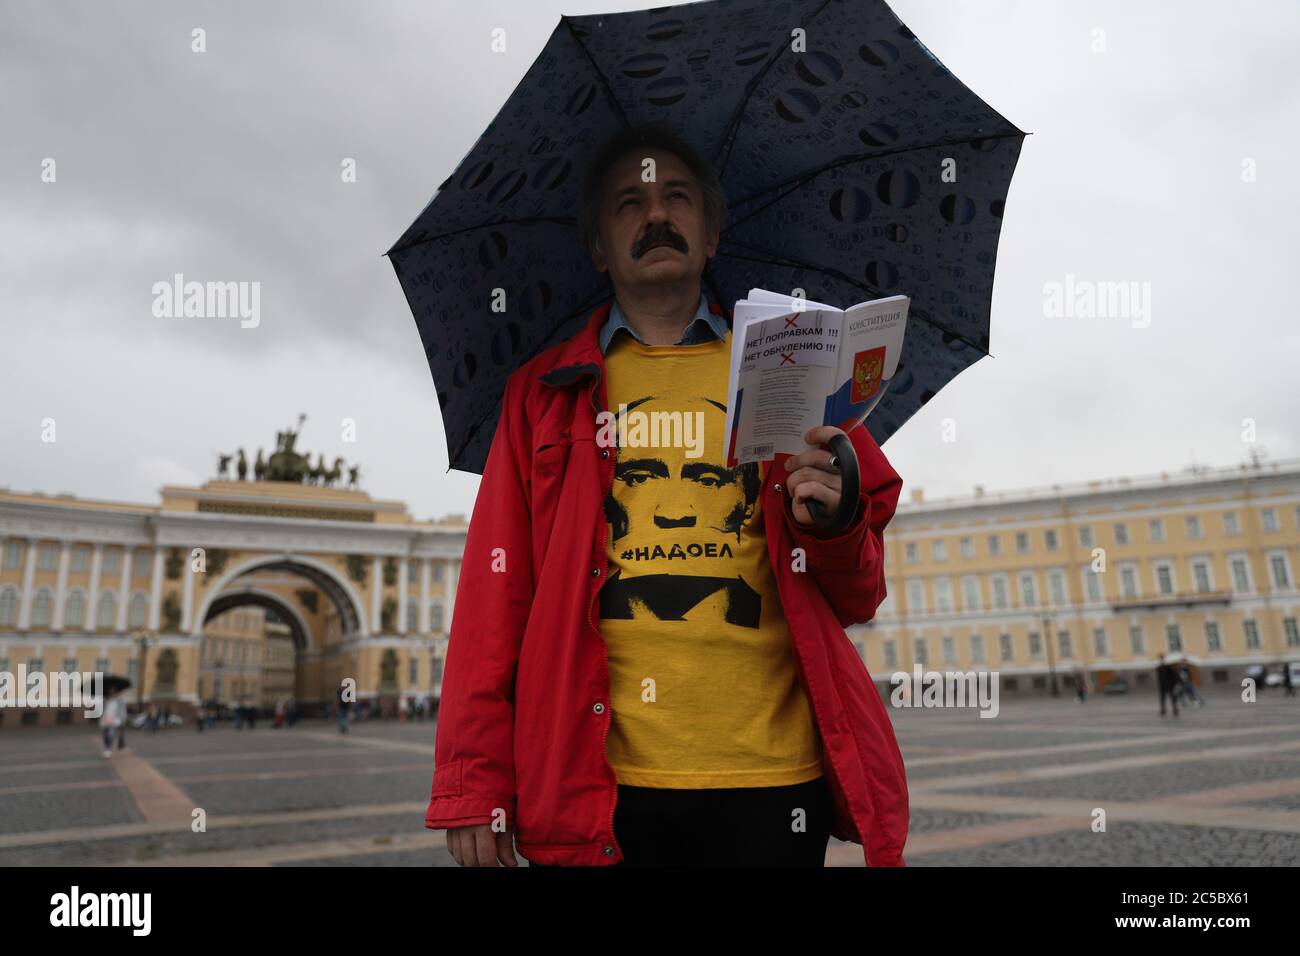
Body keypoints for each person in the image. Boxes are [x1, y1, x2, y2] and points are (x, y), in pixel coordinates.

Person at [428, 122, 907, 868]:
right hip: (600, 789)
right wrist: (471, 782)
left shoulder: (792, 368)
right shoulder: (542, 396)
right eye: (629, 203)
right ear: (599, 249)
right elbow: (495, 598)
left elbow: (858, 593)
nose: (656, 215)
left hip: (773, 781)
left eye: (677, 197)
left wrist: (836, 524)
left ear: (711, 234)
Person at [100, 689, 128, 758]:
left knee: (110, 735)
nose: (112, 692)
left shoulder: (120, 700)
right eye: (110, 690)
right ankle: (106, 748)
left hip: (114, 720)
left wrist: (121, 720)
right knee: (105, 736)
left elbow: (123, 711)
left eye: (113, 690)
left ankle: (108, 750)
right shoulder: (106, 700)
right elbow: (103, 710)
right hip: (105, 720)